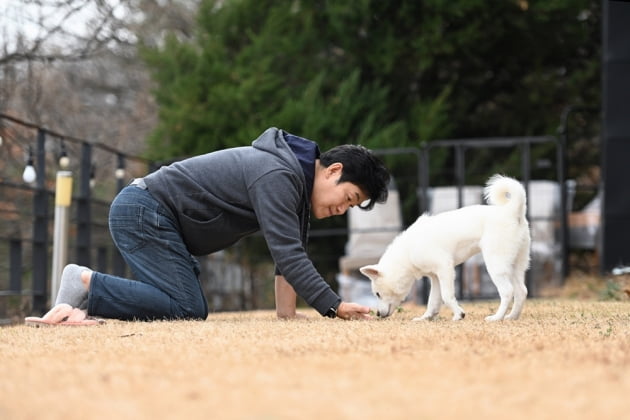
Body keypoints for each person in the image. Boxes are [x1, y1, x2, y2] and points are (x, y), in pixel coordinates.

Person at [32, 127, 391, 325]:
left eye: (351, 207)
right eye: (348, 197)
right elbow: (289, 254)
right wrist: (335, 306)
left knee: (182, 304)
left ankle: (79, 305)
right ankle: (83, 282)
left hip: (154, 217)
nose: (343, 209)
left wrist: (288, 317)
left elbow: (288, 258)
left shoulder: (293, 185)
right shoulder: (279, 175)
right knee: (188, 308)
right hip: (143, 211)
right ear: (333, 171)